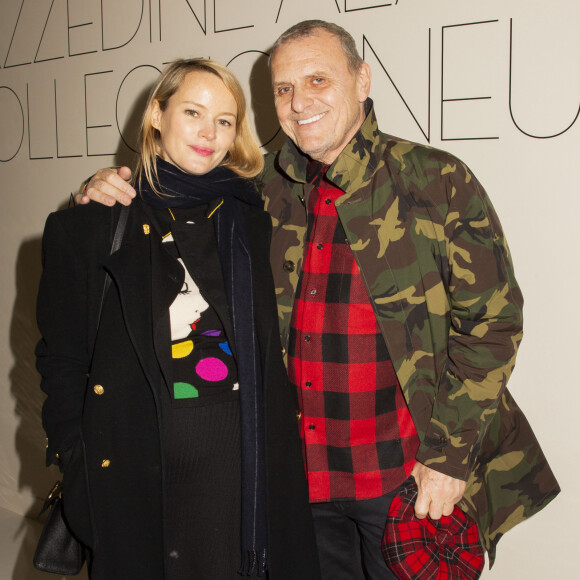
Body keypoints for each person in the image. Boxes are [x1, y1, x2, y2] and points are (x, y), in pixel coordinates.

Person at [77, 21, 560, 579]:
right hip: (299, 484)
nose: (299, 101)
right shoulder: (253, 195)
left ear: (361, 80)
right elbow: (170, 212)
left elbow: (493, 325)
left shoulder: (436, 181)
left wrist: (447, 461)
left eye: (318, 80)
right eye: (283, 88)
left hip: (406, 478)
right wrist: (103, 193)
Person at [36, 58, 320, 580]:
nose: (209, 133)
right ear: (156, 115)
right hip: (140, 476)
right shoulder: (90, 226)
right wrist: (78, 463)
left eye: (225, 121)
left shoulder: (250, 216)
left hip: (241, 475)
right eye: (193, 112)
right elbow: (62, 362)